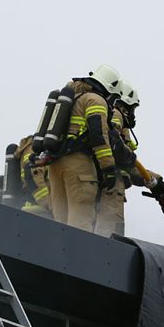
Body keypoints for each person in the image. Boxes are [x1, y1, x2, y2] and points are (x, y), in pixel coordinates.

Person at [48, 65, 123, 235]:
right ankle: (76, 259)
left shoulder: (73, 96)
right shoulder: (95, 100)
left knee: (59, 222)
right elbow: (98, 135)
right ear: (110, 88)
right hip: (79, 166)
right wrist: (108, 168)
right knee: (79, 222)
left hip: (56, 163)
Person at [107, 80, 164, 235]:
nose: (133, 114)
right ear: (126, 106)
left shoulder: (120, 124)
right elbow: (118, 151)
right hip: (108, 189)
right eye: (133, 109)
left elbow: (129, 164)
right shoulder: (116, 114)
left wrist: (156, 182)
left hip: (110, 188)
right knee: (110, 236)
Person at [14, 135, 52, 218]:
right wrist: (50, 205)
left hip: (40, 210)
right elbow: (33, 176)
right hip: (38, 211)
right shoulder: (35, 148)